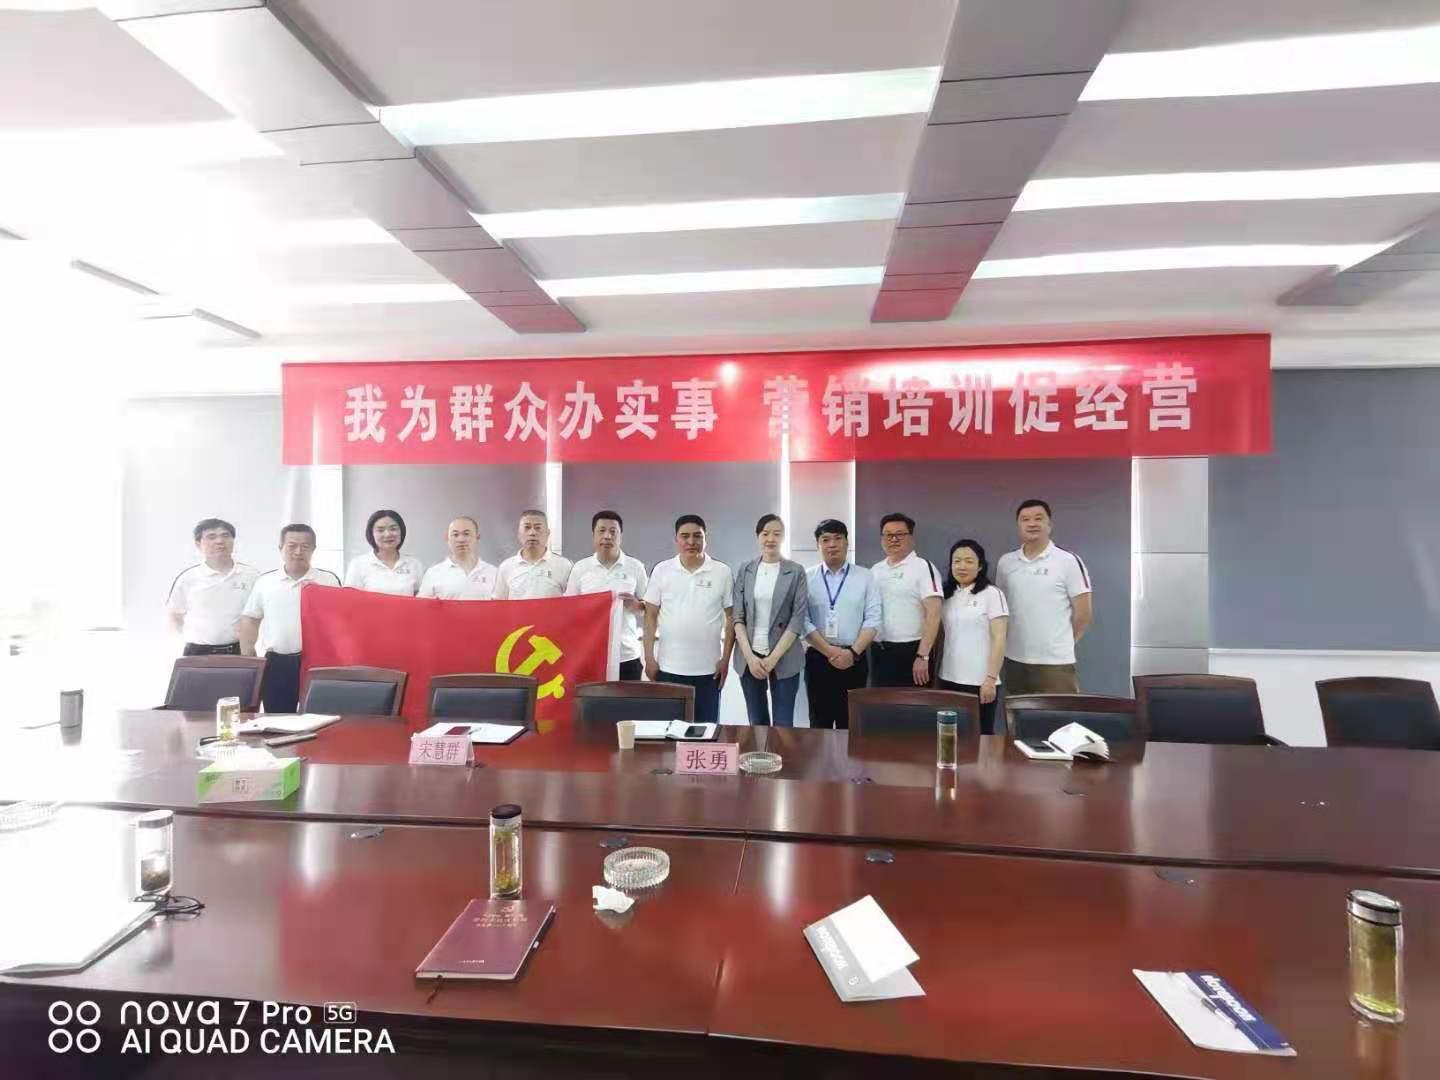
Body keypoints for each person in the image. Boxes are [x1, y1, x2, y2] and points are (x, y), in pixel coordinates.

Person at [643, 514, 734, 727]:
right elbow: (650, 615)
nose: (691, 541)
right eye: (685, 536)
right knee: (668, 731)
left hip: (708, 671)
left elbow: (732, 618)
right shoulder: (662, 570)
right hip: (668, 668)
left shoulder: (722, 572)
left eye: (697, 536)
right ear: (676, 539)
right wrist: (649, 658)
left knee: (705, 731)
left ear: (705, 538)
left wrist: (725, 660)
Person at [238, 524, 340, 713]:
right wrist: (248, 655)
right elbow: (251, 619)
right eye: (292, 546)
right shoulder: (265, 582)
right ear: (280, 548)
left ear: (314, 549)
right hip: (278, 662)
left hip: (319, 662)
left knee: (320, 717)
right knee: (278, 719)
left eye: (305, 546)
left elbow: (340, 622)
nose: (298, 552)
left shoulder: (328, 580)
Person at [996, 499, 1093, 694]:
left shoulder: (1068, 561)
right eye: (1025, 519)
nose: (1032, 523)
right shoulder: (1006, 562)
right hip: (1014, 659)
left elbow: (1084, 613)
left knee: (1060, 713)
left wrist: (1062, 643)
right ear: (1018, 526)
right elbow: (1000, 610)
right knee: (1017, 712)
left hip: (1055, 663)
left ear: (1049, 524)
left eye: (1038, 518)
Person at [802, 519, 882, 730]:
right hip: (819, 658)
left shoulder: (865, 576)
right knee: (820, 724)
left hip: (854, 658)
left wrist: (852, 653)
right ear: (818, 545)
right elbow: (802, 620)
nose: (832, 544)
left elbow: (873, 618)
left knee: (851, 724)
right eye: (825, 539)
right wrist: (829, 651)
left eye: (838, 538)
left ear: (847, 542)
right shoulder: (806, 578)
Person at [731, 515, 808, 727]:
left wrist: (773, 658)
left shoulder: (796, 571)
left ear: (783, 537)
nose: (771, 539)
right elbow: (738, 617)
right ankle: (759, 753)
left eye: (777, 534)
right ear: (758, 537)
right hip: (749, 656)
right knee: (757, 722)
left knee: (783, 725)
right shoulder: (746, 570)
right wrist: (750, 657)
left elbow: (797, 619)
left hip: (784, 656)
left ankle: (782, 753)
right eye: (765, 534)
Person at [565, 510, 649, 680]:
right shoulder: (581, 568)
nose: (607, 536)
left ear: (620, 536)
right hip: (590, 653)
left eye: (613, 531)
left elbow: (649, 608)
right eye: (601, 531)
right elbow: (569, 609)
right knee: (590, 698)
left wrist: (637, 605)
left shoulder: (635, 567)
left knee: (627, 697)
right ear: (593, 535)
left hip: (626, 654)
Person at [937, 539, 1009, 734]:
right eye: (957, 561)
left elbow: (1000, 638)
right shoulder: (946, 595)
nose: (962, 566)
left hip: (981, 681)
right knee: (950, 735)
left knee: (981, 737)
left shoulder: (992, 594)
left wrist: (990, 678)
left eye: (969, 561)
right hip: (948, 678)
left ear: (980, 566)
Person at [166, 517, 259, 655]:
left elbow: (260, 614)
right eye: (211, 537)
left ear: (233, 541)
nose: (219, 541)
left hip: (239, 650)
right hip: (197, 652)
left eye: (225, 536)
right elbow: (174, 615)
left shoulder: (251, 576)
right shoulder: (187, 578)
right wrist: (175, 647)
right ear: (198, 543)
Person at [869, 512, 942, 686]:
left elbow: (934, 613)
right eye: (888, 535)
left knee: (915, 702)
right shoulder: (875, 570)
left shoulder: (924, 567)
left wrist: (923, 656)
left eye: (900, 534)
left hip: (913, 651)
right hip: (880, 651)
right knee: (882, 701)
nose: (894, 539)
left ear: (911, 538)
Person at [495, 509, 573, 600]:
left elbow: (573, 602)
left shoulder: (564, 565)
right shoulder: (506, 567)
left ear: (547, 533)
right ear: (519, 533)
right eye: (527, 527)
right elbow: (499, 604)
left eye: (538, 528)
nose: (532, 533)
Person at [344, 509, 424, 595]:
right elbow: (350, 598)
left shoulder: (414, 564)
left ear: (401, 532)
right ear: (372, 534)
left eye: (393, 529)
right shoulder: (358, 564)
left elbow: (422, 598)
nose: (388, 534)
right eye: (380, 530)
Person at [418, 517, 498, 599]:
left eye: (466, 534)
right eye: (455, 535)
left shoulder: (495, 573)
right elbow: (421, 605)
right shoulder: (433, 573)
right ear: (447, 538)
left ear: (477, 538)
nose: (461, 539)